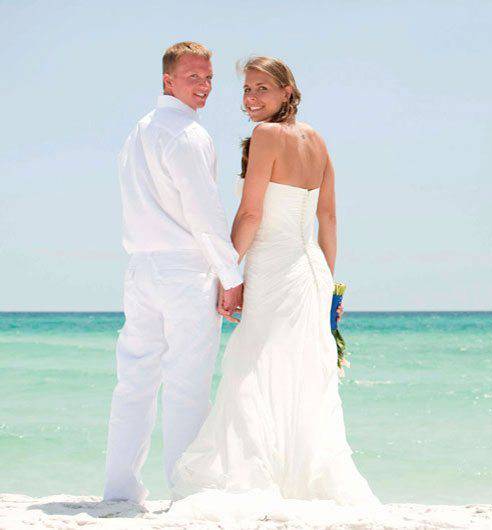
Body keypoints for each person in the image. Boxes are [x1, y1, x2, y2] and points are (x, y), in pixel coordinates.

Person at [168, 56, 380, 517]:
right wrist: (330, 288)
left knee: (252, 369)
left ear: (288, 90)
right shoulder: (318, 141)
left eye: (262, 88)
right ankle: (296, 480)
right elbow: (328, 219)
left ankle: (258, 477)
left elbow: (250, 214)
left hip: (273, 269)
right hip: (310, 273)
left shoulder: (267, 137)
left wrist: (225, 271)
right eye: (246, 89)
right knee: (299, 376)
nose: (251, 99)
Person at [102, 41, 245, 503]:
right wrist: (231, 276)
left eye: (208, 78)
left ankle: (120, 488)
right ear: (168, 81)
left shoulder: (139, 130)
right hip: (183, 269)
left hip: (141, 269)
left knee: (135, 380)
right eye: (193, 77)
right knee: (187, 382)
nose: (203, 86)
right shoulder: (188, 135)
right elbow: (204, 213)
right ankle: (186, 490)